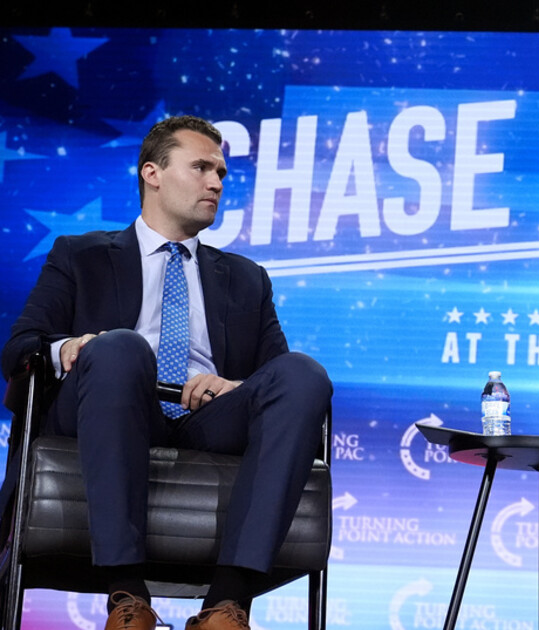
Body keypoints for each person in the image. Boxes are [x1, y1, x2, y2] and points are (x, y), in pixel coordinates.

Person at [1, 116, 332, 630]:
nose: (216, 182)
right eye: (201, 167)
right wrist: (72, 349)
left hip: (206, 419)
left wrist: (234, 386)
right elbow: (20, 349)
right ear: (152, 173)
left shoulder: (247, 278)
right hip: (107, 403)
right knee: (121, 348)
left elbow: (277, 380)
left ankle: (226, 605)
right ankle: (127, 597)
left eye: (221, 172)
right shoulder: (80, 255)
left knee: (304, 374)